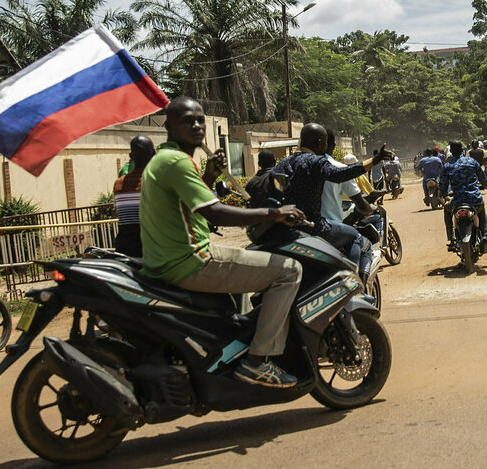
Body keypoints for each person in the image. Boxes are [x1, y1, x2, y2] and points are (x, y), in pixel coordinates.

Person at [139, 96, 306, 388]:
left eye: (199, 119)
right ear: (169, 125)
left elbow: (185, 205)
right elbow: (213, 211)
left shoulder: (166, 159)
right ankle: (257, 361)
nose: (196, 125)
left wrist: (208, 175)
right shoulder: (177, 162)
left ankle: (236, 348)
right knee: (289, 270)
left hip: (171, 259)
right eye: (186, 120)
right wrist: (275, 213)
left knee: (244, 266)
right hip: (192, 260)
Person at [272, 123, 393, 281]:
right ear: (319, 143)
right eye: (324, 142)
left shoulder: (282, 164)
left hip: (288, 230)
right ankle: (353, 284)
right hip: (316, 227)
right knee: (356, 238)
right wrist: (373, 161)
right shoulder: (315, 162)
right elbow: (340, 174)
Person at [320, 129, 375, 284]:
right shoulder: (339, 169)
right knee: (361, 241)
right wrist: (369, 209)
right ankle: (356, 285)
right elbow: (363, 200)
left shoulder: (297, 167)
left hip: (304, 229)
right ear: (330, 145)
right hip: (330, 226)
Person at [439, 141, 487, 252]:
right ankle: (485, 234)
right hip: (474, 199)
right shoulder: (472, 162)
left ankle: (452, 239)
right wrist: (486, 185)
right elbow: (482, 177)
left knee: (447, 210)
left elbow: (443, 185)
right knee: (481, 209)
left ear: (451, 152)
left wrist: (442, 195)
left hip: (458, 201)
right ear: (462, 150)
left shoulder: (447, 166)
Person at [113, 135, 155, 257]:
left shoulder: (118, 183)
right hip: (151, 249)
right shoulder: (156, 182)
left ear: (131, 156)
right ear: (153, 154)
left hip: (124, 248)